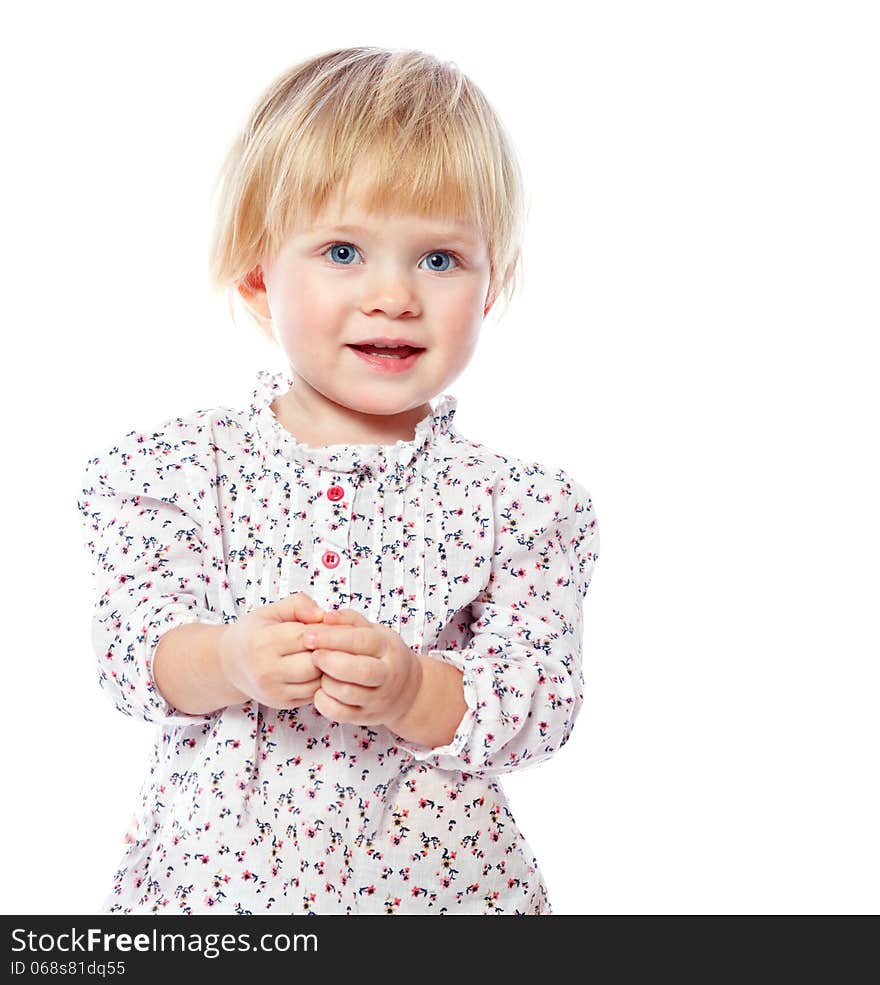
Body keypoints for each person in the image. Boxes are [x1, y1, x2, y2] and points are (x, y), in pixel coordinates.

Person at [76, 45, 600, 915]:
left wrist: (414, 687)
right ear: (257, 274)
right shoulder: (174, 472)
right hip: (217, 901)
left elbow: (540, 704)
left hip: (441, 899)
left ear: (491, 288)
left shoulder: (522, 507)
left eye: (439, 259)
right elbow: (133, 652)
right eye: (344, 250)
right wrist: (230, 658)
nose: (393, 295)